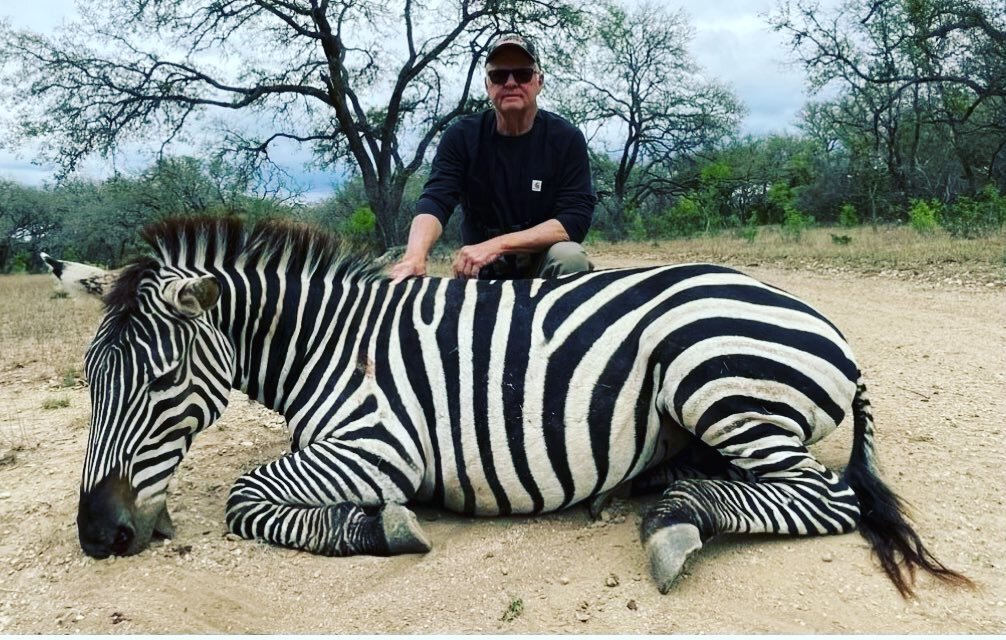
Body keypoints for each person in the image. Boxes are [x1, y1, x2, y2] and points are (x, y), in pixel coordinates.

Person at [390, 33, 595, 282]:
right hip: (479, 271)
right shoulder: (460, 136)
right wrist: (414, 256)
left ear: (539, 81)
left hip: (540, 269)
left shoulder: (566, 138)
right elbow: (436, 199)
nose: (510, 83)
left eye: (522, 74)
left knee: (570, 257)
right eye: (498, 75)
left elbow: (574, 220)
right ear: (488, 85)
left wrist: (496, 245)